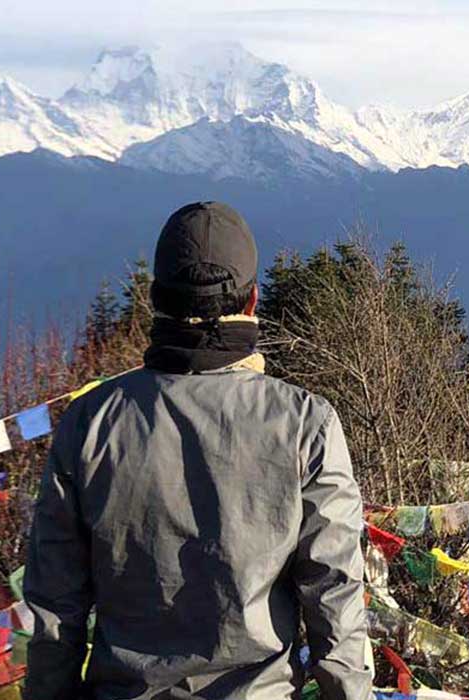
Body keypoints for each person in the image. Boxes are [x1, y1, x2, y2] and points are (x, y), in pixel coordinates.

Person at [23, 202, 372, 699]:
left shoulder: (89, 422)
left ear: (154, 299)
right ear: (252, 301)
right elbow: (334, 595)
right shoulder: (305, 424)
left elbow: (55, 607)